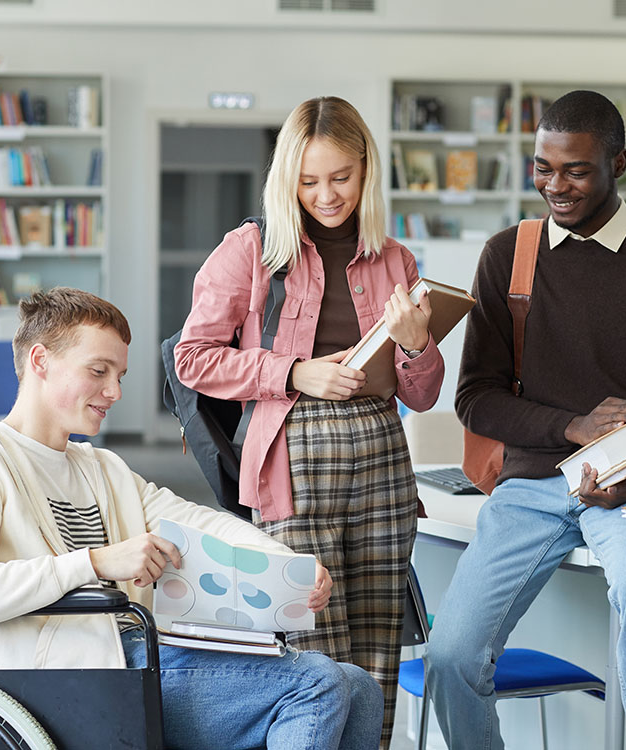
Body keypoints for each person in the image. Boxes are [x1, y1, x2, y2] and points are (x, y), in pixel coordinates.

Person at [0, 287, 384, 750]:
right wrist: (94, 563)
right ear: (41, 361)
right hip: (66, 678)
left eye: (120, 376)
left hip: (137, 659)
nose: (113, 391)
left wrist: (289, 562)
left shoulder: (99, 467)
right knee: (316, 683)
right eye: (98, 370)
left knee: (360, 687)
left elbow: (197, 521)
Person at [424, 90, 626, 750]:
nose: (555, 185)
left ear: (619, 163)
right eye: (543, 168)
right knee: (450, 657)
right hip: (531, 490)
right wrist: (574, 426)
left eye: (575, 169)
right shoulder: (507, 256)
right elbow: (476, 398)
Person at [174, 95, 444, 745]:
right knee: (312, 640)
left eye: (341, 178)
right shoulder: (252, 251)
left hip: (382, 454)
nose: (326, 195)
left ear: (366, 169)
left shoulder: (396, 260)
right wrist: (295, 372)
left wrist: (414, 345)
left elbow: (423, 394)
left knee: (380, 641)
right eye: (308, 180)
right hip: (294, 459)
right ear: (286, 179)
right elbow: (192, 359)